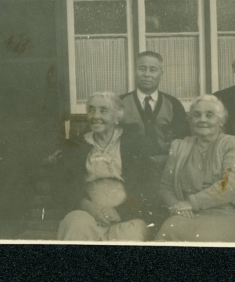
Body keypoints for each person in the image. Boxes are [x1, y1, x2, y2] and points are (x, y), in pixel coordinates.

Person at [155, 95, 235, 242]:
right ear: (190, 120)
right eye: (197, 115)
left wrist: (191, 203)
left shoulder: (234, 144)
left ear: (221, 121)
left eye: (210, 115)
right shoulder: (179, 146)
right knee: (168, 231)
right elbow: (165, 187)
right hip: (192, 215)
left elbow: (234, 185)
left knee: (204, 240)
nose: (202, 120)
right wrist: (178, 207)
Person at [53, 92, 158, 241]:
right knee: (76, 224)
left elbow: (147, 187)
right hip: (87, 215)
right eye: (91, 110)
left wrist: (120, 211)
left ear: (117, 117)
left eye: (103, 110)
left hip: (127, 216)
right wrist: (87, 206)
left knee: (131, 234)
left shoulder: (136, 144)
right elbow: (63, 188)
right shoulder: (75, 146)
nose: (96, 116)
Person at [120, 51, 190, 156]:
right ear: (134, 71)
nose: (147, 74)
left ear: (161, 74)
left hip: (165, 166)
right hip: (130, 168)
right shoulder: (119, 103)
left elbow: (182, 141)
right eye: (142, 69)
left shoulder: (173, 104)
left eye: (153, 70)